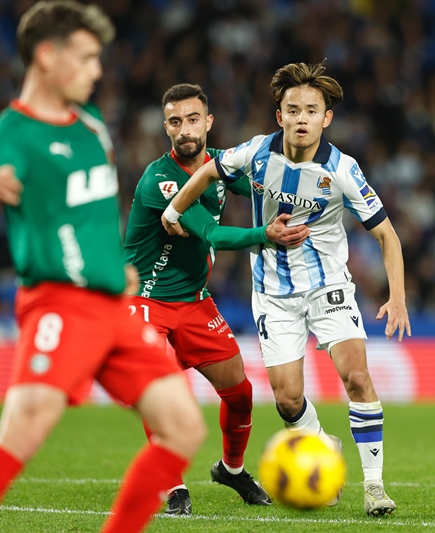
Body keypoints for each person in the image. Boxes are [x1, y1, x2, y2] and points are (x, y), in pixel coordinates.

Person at [0, 2, 206, 532]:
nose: (96, 70)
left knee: (183, 428)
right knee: (21, 435)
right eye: (86, 59)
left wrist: (117, 266)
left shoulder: (91, 125)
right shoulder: (13, 131)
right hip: (59, 303)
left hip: (115, 306)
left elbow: (94, 212)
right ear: (46, 56)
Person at [161, 61, 411, 517]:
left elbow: (386, 235)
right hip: (273, 294)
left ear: (325, 118)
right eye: (292, 109)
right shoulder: (256, 153)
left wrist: (397, 296)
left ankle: (374, 486)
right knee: (287, 398)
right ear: (279, 116)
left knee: (356, 377)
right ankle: (321, 445)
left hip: (328, 287)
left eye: (311, 110)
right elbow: (210, 171)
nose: (301, 118)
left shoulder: (342, 170)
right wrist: (175, 209)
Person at [123, 83, 308, 514]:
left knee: (240, 393)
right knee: (162, 391)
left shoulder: (220, 165)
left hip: (193, 299)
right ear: (165, 127)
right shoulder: (160, 179)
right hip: (145, 301)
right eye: (175, 122)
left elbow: (262, 184)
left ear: (208, 122)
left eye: (192, 119)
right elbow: (211, 232)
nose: (184, 130)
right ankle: (172, 486)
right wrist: (267, 235)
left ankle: (231, 469)